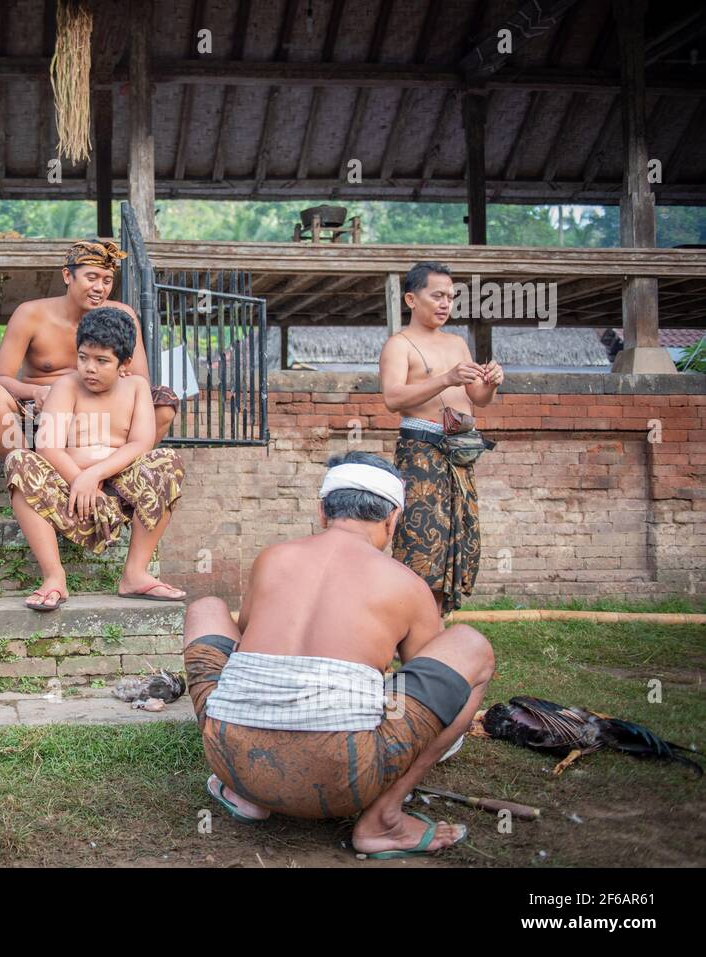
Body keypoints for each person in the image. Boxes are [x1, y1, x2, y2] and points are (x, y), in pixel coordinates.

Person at [182, 451, 495, 858]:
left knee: (205, 608)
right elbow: (429, 686)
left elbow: (247, 649)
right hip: (343, 777)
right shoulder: (408, 585)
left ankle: (247, 796)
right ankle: (384, 820)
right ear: (392, 519)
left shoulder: (270, 559)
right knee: (471, 645)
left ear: (322, 511)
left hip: (233, 761)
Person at [4, 306, 186, 610]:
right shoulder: (67, 386)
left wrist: (95, 476)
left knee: (167, 460)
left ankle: (135, 574)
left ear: (124, 364)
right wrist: (79, 479)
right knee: (18, 461)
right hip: (71, 494)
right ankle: (54, 577)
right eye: (83, 357)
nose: (89, 368)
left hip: (118, 494)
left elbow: (141, 443)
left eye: (102, 361)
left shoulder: (137, 387)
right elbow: (48, 447)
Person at [0, 239, 178, 459]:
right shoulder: (30, 315)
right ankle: (30, 472)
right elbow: (0, 378)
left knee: (164, 402)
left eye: (107, 280)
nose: (100, 288)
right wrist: (36, 392)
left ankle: (113, 473)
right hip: (43, 412)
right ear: (67, 276)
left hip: (105, 412)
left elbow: (141, 382)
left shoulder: (122, 316)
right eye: (92, 278)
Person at [380, 261, 504, 614]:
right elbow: (393, 398)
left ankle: (437, 623)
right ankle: (408, 621)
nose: (445, 303)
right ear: (411, 299)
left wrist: (491, 384)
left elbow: (477, 398)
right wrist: (446, 378)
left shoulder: (457, 343)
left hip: (459, 454)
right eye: (437, 295)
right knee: (420, 544)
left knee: (456, 541)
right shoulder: (398, 345)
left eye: (450, 297)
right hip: (421, 454)